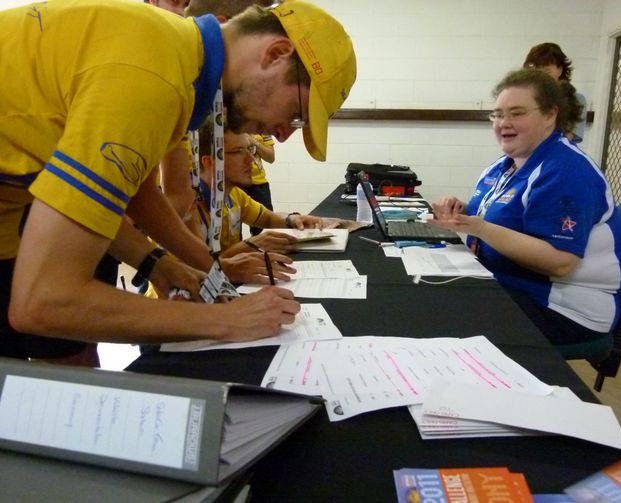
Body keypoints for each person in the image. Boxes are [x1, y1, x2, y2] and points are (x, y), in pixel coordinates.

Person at [0, 0, 356, 359]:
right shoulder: (155, 78)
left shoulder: (179, 63)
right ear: (276, 53)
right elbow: (44, 301)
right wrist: (227, 320)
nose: (282, 136)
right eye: (296, 115)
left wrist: (174, 263)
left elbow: (136, 192)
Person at [430, 69, 621, 346]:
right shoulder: (504, 166)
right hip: (508, 284)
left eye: (517, 113)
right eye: (497, 114)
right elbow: (497, 217)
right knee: (428, 295)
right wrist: (462, 211)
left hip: (564, 308)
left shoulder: (566, 171)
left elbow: (560, 262)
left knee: (437, 313)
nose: (503, 123)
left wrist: (480, 227)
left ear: (550, 115)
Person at [197, 124, 323, 257]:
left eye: (249, 149)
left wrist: (292, 219)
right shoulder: (190, 207)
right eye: (239, 151)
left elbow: (267, 218)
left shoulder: (234, 194)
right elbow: (195, 271)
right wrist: (251, 244)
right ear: (210, 162)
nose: (251, 159)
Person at [523, 42, 587, 143]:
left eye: (547, 72)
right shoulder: (524, 97)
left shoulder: (576, 100)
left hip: (559, 154)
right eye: (536, 71)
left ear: (560, 70)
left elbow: (568, 138)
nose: (541, 76)